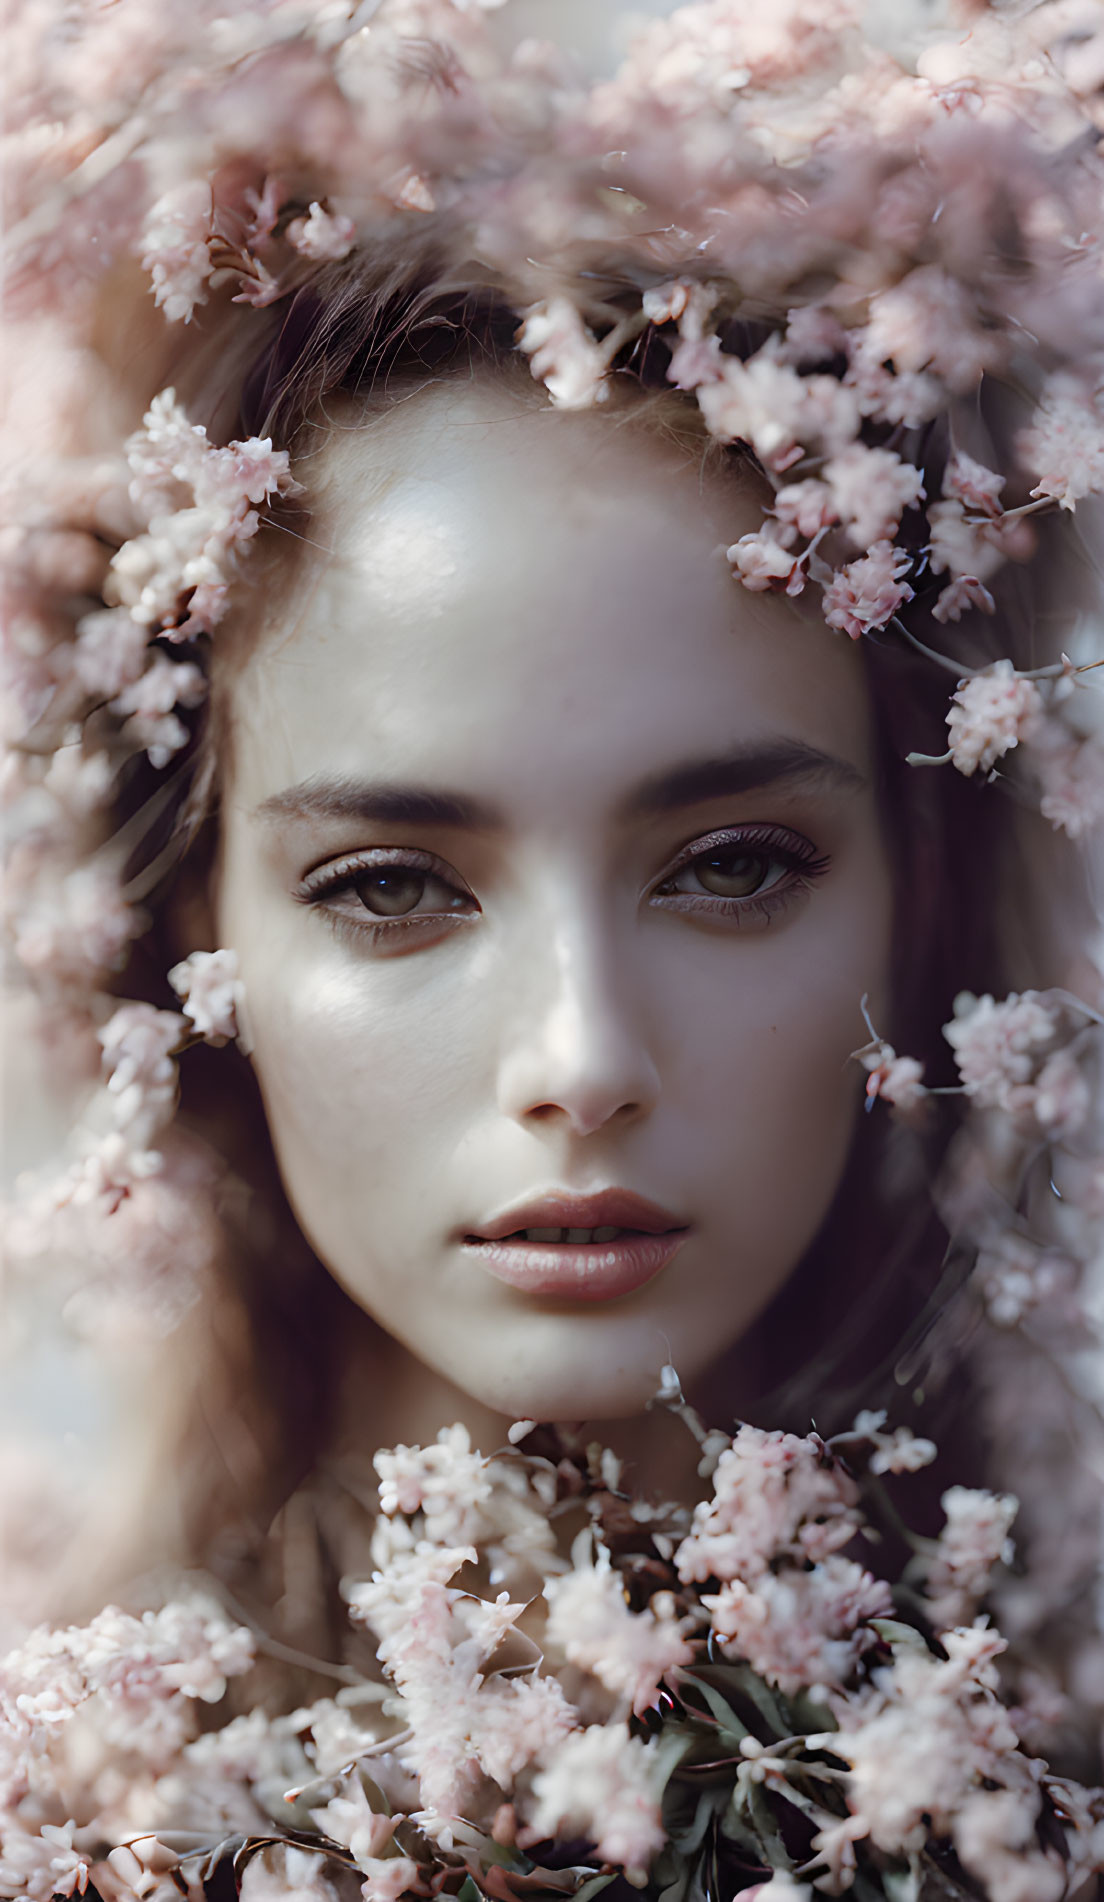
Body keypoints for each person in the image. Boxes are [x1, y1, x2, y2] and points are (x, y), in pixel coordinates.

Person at [6, 1, 1104, 1893]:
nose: (583, 1057)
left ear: (918, 897)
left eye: (734, 864)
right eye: (391, 884)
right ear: (197, 938)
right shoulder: (64, 1797)